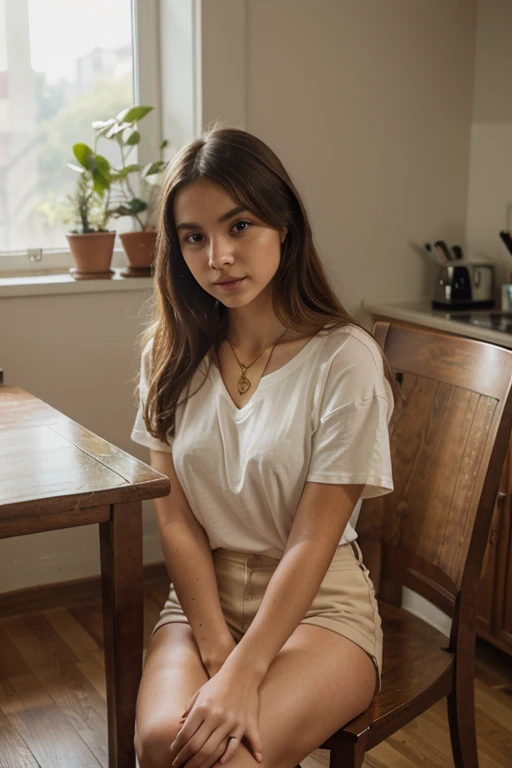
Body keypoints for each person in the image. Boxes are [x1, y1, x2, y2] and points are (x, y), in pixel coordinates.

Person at [130, 124, 395, 768]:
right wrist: (220, 655)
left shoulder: (345, 359)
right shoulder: (168, 356)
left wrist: (245, 674)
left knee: (230, 759)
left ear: (284, 226)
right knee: (162, 744)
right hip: (202, 604)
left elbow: (313, 540)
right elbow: (176, 521)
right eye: (194, 237)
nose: (217, 256)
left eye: (239, 225)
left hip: (321, 607)